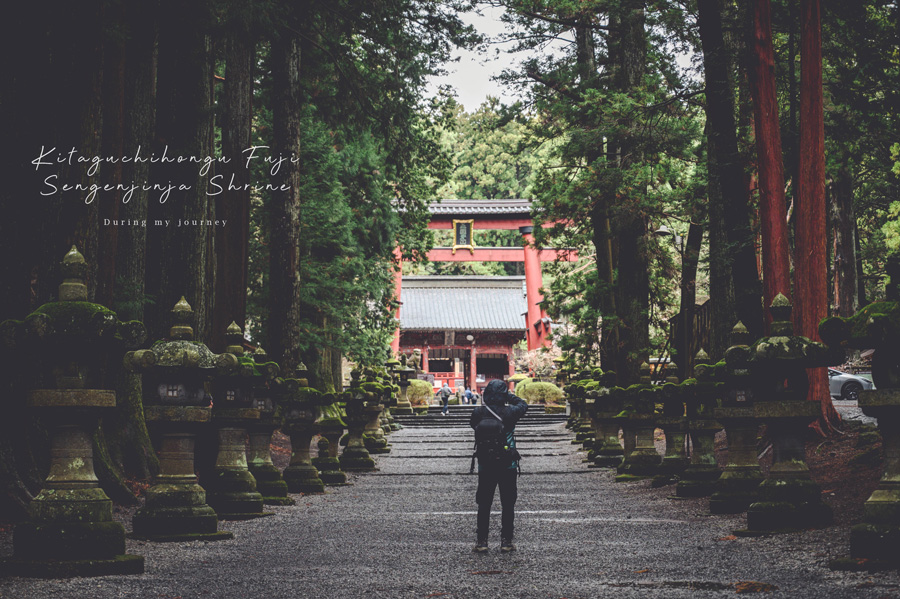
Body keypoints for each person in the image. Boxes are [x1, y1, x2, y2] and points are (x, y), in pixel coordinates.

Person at [470, 379, 527, 553]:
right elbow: (523, 405)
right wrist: (508, 396)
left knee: (484, 503)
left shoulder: (478, 412)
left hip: (485, 464)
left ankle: (482, 542)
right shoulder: (511, 412)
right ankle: (506, 541)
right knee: (508, 503)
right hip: (507, 463)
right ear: (504, 394)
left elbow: (474, 426)